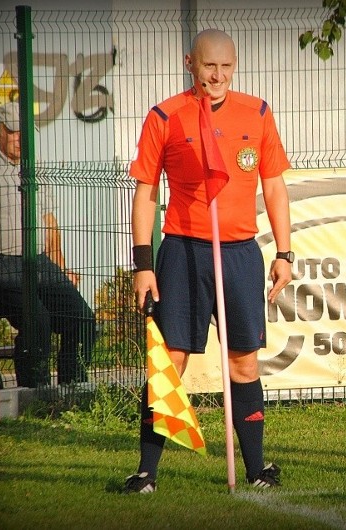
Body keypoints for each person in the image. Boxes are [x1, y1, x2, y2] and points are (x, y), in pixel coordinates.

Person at [125, 29, 293, 493]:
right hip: (182, 252)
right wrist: (144, 264)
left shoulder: (257, 113)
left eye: (225, 66)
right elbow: (145, 193)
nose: (217, 76)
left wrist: (284, 252)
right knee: (168, 362)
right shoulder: (165, 116)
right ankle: (146, 473)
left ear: (234, 66)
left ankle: (257, 469)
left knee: (244, 364)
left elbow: (275, 186)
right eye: (208, 66)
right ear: (190, 64)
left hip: (239, 252)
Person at [0, 101, 96, 388]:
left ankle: (73, 387)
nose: (20, 139)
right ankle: (33, 392)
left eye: (25, 132)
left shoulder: (33, 164)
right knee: (36, 320)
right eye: (13, 131)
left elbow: (49, 224)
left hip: (36, 261)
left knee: (81, 317)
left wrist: (60, 269)